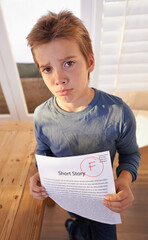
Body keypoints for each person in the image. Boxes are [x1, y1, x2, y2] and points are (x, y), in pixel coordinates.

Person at [27, 10, 140, 240]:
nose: (58, 78)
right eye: (47, 69)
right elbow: (43, 151)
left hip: (103, 197)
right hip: (70, 195)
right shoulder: (41, 116)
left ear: (89, 62)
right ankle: (75, 228)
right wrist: (40, 174)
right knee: (79, 221)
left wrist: (125, 181)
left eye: (68, 63)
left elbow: (130, 154)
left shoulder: (118, 113)